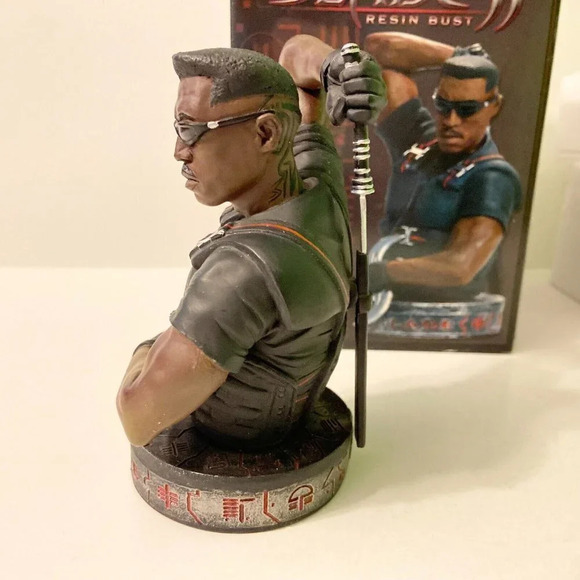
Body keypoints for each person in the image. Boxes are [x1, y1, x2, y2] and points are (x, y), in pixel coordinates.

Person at [116, 42, 385, 449]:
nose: (179, 152)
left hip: (234, 436)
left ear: (265, 133)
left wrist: (148, 348)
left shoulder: (240, 274)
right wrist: (335, 66)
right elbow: (294, 58)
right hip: (290, 407)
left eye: (191, 130)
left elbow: (137, 416)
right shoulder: (318, 186)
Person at [364, 33, 521, 302]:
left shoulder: (493, 177)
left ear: (494, 106)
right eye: (443, 106)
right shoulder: (420, 142)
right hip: (382, 302)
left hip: (439, 310)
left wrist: (380, 273)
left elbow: (459, 267)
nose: (451, 121)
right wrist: (459, 56)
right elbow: (379, 49)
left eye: (467, 109)